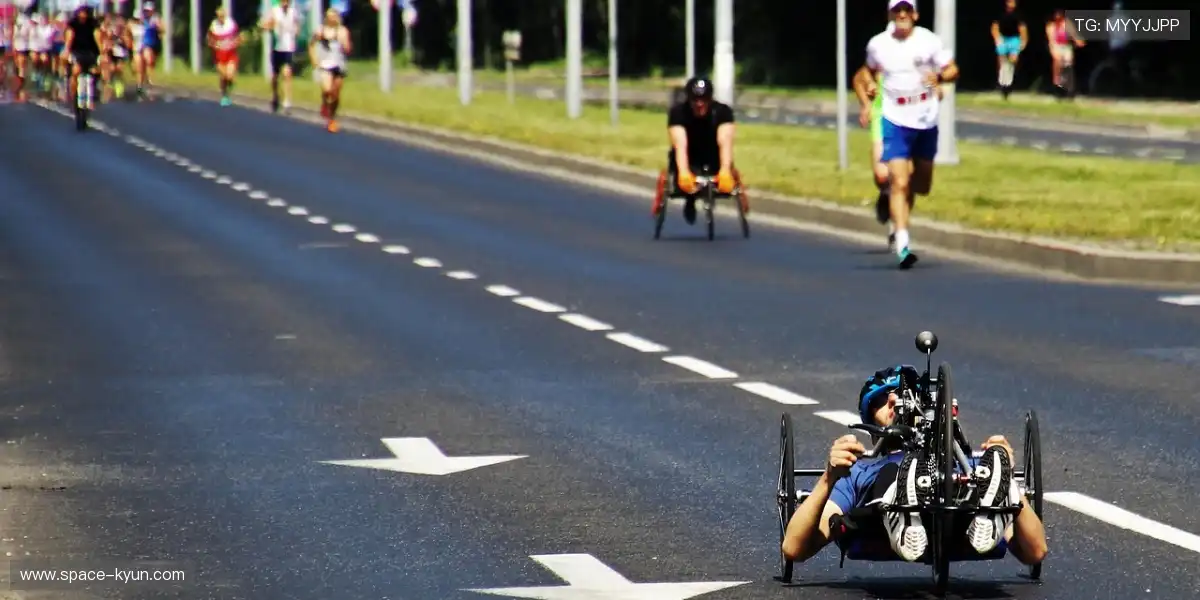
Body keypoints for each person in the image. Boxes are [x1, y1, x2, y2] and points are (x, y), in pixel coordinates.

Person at [781, 365, 1049, 566]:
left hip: (963, 513)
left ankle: (988, 509)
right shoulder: (857, 472)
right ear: (869, 421)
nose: (894, 403)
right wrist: (829, 478)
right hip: (881, 517)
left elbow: (1035, 551)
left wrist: (1009, 477)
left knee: (987, 469)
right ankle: (904, 507)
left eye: (901, 396)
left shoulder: (970, 464)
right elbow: (794, 548)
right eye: (881, 400)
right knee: (889, 474)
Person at [852, 0, 956, 270]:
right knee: (897, 181)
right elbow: (866, 72)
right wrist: (870, 88)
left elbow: (953, 69)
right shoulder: (878, 44)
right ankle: (902, 243)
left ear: (915, 14)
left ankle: (895, 207)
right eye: (897, 11)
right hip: (894, 118)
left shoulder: (929, 41)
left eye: (906, 10)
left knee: (920, 185)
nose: (902, 15)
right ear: (889, 14)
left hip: (924, 118)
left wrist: (941, 77)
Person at [661, 77, 747, 225]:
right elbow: (680, 144)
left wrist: (725, 170)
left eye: (704, 99)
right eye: (695, 100)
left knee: (724, 179)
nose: (699, 104)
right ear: (689, 99)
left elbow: (725, 141)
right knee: (685, 181)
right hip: (689, 157)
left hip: (714, 155)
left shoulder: (722, 112)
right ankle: (690, 200)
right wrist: (683, 172)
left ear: (710, 98)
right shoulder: (678, 113)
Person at [309, 8, 350, 132]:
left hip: (339, 64)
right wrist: (314, 59)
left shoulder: (342, 31)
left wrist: (344, 44)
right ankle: (326, 106)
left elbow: (348, 48)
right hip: (325, 65)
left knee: (336, 93)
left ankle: (332, 117)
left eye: (334, 16)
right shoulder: (320, 30)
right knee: (328, 90)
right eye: (329, 16)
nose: (332, 19)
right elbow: (311, 44)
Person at [259, 0, 302, 113]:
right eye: (283, 1)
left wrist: (296, 32)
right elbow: (264, 25)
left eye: (287, 1)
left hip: (288, 47)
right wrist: (271, 26)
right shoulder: (274, 11)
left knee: (287, 74)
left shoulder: (293, 12)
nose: (285, 3)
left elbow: (297, 27)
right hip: (277, 47)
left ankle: (287, 101)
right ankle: (275, 95)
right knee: (275, 76)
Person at [61, 4, 103, 113]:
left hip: (91, 52)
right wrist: (66, 50)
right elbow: (69, 38)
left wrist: (102, 53)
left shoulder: (93, 24)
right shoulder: (73, 25)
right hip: (77, 52)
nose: (83, 16)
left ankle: (94, 93)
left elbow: (98, 37)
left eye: (85, 13)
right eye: (81, 13)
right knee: (76, 71)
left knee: (95, 71)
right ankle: (73, 94)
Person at [991, 0, 1026, 99]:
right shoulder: (1000, 13)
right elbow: (995, 27)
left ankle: (1009, 84)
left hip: (1014, 39)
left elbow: (1023, 29)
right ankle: (1001, 83)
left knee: (1012, 61)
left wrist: (1023, 42)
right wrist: (998, 39)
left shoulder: (1019, 15)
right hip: (1003, 38)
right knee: (1002, 61)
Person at [207, 6, 240, 106]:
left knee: (230, 76)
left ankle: (229, 89)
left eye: (222, 16)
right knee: (223, 75)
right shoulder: (214, 25)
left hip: (230, 54)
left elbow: (238, 37)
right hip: (219, 55)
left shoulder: (231, 24)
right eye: (219, 16)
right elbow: (209, 39)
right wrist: (214, 44)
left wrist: (235, 43)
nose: (221, 18)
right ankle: (224, 95)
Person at [1046, 9, 1085, 94]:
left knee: (1068, 64)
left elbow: (1074, 35)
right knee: (1057, 62)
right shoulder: (1051, 26)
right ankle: (1056, 83)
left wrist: (1078, 41)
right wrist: (1053, 51)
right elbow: (1051, 40)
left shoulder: (1067, 24)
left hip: (1066, 46)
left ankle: (1068, 85)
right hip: (1056, 46)